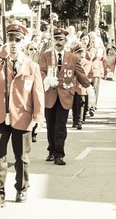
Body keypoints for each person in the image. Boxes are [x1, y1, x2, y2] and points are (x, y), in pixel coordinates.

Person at [0, 24, 45, 209]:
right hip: (0, 115)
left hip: (22, 115)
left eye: (17, 40)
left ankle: (22, 187)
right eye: (10, 39)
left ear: (24, 42)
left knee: (22, 157)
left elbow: (38, 93)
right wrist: (0, 58)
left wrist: (38, 117)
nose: (13, 43)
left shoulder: (32, 66)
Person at [39, 28, 95, 166]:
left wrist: (89, 88)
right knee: (51, 125)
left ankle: (59, 154)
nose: (58, 42)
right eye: (56, 39)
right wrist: (45, 79)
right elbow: (40, 72)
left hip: (65, 95)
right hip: (50, 95)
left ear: (65, 41)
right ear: (53, 40)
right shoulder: (45, 56)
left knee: (61, 126)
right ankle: (51, 150)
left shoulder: (72, 57)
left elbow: (81, 74)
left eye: (61, 40)